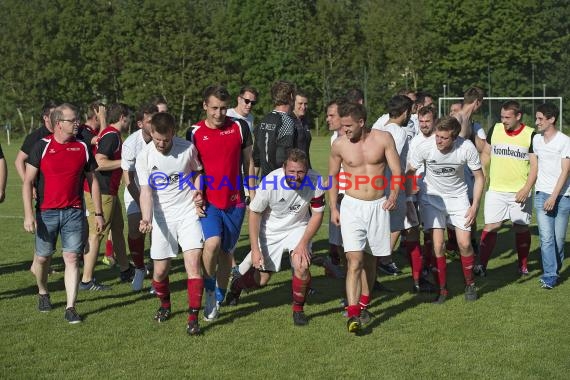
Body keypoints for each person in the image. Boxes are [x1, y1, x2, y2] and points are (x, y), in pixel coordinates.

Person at [22, 103, 104, 324]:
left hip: (74, 212)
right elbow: (28, 182)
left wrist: (98, 213)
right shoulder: (41, 146)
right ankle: (42, 291)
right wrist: (29, 215)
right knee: (42, 258)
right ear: (59, 124)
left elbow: (92, 181)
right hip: (46, 212)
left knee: (71, 257)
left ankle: (70, 307)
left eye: (77, 119)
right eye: (72, 120)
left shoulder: (83, 147)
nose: (77, 123)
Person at [225, 149, 324, 326]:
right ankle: (238, 285)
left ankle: (298, 310)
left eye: (301, 171)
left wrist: (303, 244)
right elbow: (255, 213)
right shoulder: (270, 182)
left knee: (301, 265)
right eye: (291, 171)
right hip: (270, 231)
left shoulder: (316, 180)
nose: (296, 176)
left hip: (298, 227)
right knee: (261, 280)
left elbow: (317, 214)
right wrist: (255, 250)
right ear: (284, 167)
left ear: (307, 169)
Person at [329, 102, 401, 333]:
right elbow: (331, 177)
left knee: (371, 260)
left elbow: (397, 172)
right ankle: (353, 314)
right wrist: (334, 208)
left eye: (349, 126)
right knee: (354, 260)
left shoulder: (384, 139)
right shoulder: (339, 145)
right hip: (351, 206)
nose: (344, 130)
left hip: (378, 207)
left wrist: (394, 194)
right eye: (342, 125)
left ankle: (364, 303)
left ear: (361, 122)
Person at [188, 85, 254, 321]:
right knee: (213, 243)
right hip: (209, 201)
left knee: (226, 252)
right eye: (214, 108)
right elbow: (191, 168)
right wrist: (195, 195)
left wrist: (252, 189)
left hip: (235, 201)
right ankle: (208, 292)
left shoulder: (240, 126)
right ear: (205, 105)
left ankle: (219, 293)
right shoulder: (193, 132)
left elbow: (249, 162)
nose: (218, 114)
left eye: (223, 109)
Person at [136, 112, 205, 335]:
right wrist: (146, 217)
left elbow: (197, 172)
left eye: (165, 140)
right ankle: (165, 305)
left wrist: (198, 192)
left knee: (193, 266)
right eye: (157, 139)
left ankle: (193, 318)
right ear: (151, 133)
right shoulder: (145, 156)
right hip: (161, 217)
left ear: (173, 133)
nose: (162, 144)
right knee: (160, 271)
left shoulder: (187, 148)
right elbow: (146, 191)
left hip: (187, 214)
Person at [407, 116, 484, 303]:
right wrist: (409, 192)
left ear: (455, 137)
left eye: (444, 138)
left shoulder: (466, 147)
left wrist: (474, 207)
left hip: (458, 198)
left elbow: (480, 178)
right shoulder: (425, 147)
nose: (439, 141)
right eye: (437, 136)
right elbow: (409, 171)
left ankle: (470, 284)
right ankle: (442, 290)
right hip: (431, 198)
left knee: (464, 244)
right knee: (438, 245)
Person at [477, 101, 537, 277]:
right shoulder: (495, 129)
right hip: (496, 189)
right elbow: (486, 153)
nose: (503, 120)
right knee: (491, 226)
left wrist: (527, 188)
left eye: (507, 117)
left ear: (518, 116)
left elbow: (535, 166)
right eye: (502, 117)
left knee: (520, 227)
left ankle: (523, 266)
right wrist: (483, 172)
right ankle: (481, 265)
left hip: (519, 191)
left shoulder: (530, 134)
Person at [81, 103, 132, 290]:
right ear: (122, 118)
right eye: (129, 117)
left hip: (109, 191)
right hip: (101, 191)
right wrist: (125, 162)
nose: (130, 121)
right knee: (97, 235)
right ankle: (86, 280)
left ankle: (126, 269)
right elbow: (100, 163)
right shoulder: (111, 135)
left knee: (118, 228)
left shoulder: (110, 133)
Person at [371, 95, 414, 278]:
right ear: (405, 112)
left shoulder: (379, 129)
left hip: (379, 183)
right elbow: (390, 160)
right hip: (392, 184)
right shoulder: (398, 132)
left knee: (386, 225)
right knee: (398, 224)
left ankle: (380, 260)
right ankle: (382, 260)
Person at [15, 101, 58, 274]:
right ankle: (38, 264)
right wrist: (29, 184)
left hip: (58, 189)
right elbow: (19, 161)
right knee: (45, 226)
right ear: (46, 117)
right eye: (55, 115)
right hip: (42, 188)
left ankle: (41, 264)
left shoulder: (62, 134)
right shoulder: (35, 137)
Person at [121, 103, 158, 291]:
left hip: (159, 192)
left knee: (157, 232)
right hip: (135, 191)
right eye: (150, 121)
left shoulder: (163, 139)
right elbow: (127, 176)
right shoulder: (130, 143)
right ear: (140, 124)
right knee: (135, 229)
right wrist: (141, 201)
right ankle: (139, 269)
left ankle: (156, 276)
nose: (154, 125)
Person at [533, 102, 570, 289]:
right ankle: (550, 275)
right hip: (541, 194)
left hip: (562, 196)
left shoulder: (565, 141)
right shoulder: (536, 140)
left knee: (558, 240)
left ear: (551, 119)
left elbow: (565, 171)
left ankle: (554, 267)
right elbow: (534, 167)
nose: (536, 122)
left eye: (540, 118)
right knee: (546, 238)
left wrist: (554, 197)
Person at [253, 80, 297, 179]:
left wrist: (251, 187)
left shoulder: (262, 121)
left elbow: (256, 158)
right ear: (290, 96)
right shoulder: (287, 121)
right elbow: (285, 154)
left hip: (264, 181)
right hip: (279, 180)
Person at [292, 89, 312, 167]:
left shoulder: (305, 121)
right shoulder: (288, 121)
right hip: (294, 169)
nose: (303, 107)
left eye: (305, 104)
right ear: (293, 103)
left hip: (306, 166)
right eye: (300, 103)